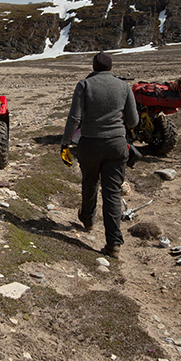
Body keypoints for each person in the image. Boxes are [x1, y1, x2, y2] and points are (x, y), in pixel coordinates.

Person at [60, 51, 139, 258]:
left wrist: (65, 142)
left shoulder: (84, 85)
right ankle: (113, 243)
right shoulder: (123, 86)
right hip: (117, 144)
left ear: (94, 67)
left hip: (90, 144)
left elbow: (74, 117)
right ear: (111, 68)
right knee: (112, 192)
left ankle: (87, 219)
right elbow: (133, 121)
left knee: (89, 181)